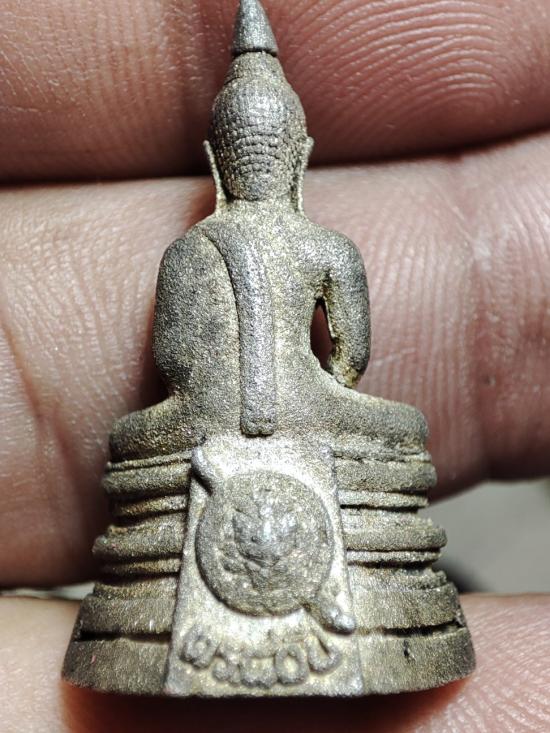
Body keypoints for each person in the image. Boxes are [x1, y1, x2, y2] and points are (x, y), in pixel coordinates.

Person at [0, 0, 549, 730]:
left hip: (203, 424)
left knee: (138, 441)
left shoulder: (188, 252)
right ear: (300, 155)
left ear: (216, 162)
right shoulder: (328, 248)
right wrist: (310, 393)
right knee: (398, 430)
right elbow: (352, 359)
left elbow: (173, 360)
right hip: (312, 411)